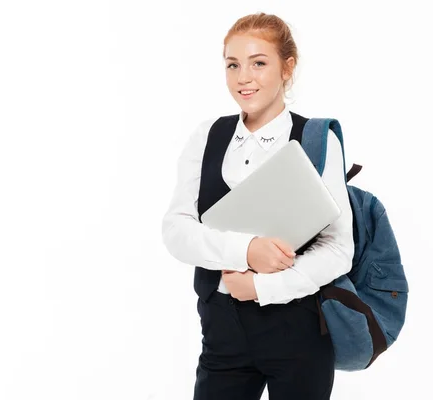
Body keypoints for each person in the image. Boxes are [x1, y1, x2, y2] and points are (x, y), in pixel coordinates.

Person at [161, 12, 354, 400]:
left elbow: (338, 248)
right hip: (222, 330)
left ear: (287, 67)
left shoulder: (315, 139)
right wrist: (246, 249)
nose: (243, 77)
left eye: (259, 63)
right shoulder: (208, 136)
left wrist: (263, 286)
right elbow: (176, 230)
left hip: (298, 329)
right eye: (232, 65)